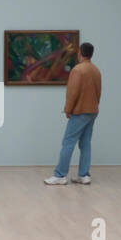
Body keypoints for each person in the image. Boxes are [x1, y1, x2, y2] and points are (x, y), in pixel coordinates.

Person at [44, 42, 101, 186]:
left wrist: (68, 109)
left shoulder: (78, 70)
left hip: (80, 111)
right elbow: (98, 93)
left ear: (80, 53)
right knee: (86, 143)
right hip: (92, 111)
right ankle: (84, 175)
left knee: (68, 143)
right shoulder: (96, 70)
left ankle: (60, 175)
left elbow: (72, 92)